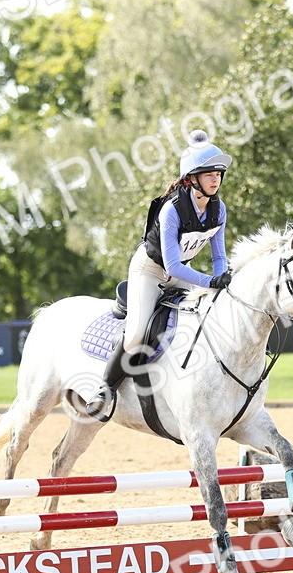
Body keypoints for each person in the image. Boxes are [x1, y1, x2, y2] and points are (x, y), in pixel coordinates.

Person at [85, 129, 233, 420]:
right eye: (209, 174)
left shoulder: (219, 209)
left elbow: (219, 257)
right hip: (151, 270)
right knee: (137, 334)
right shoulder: (171, 210)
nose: (216, 178)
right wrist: (208, 281)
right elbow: (173, 266)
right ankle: (105, 388)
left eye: (218, 173)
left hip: (182, 272)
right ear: (192, 178)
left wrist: (221, 280)